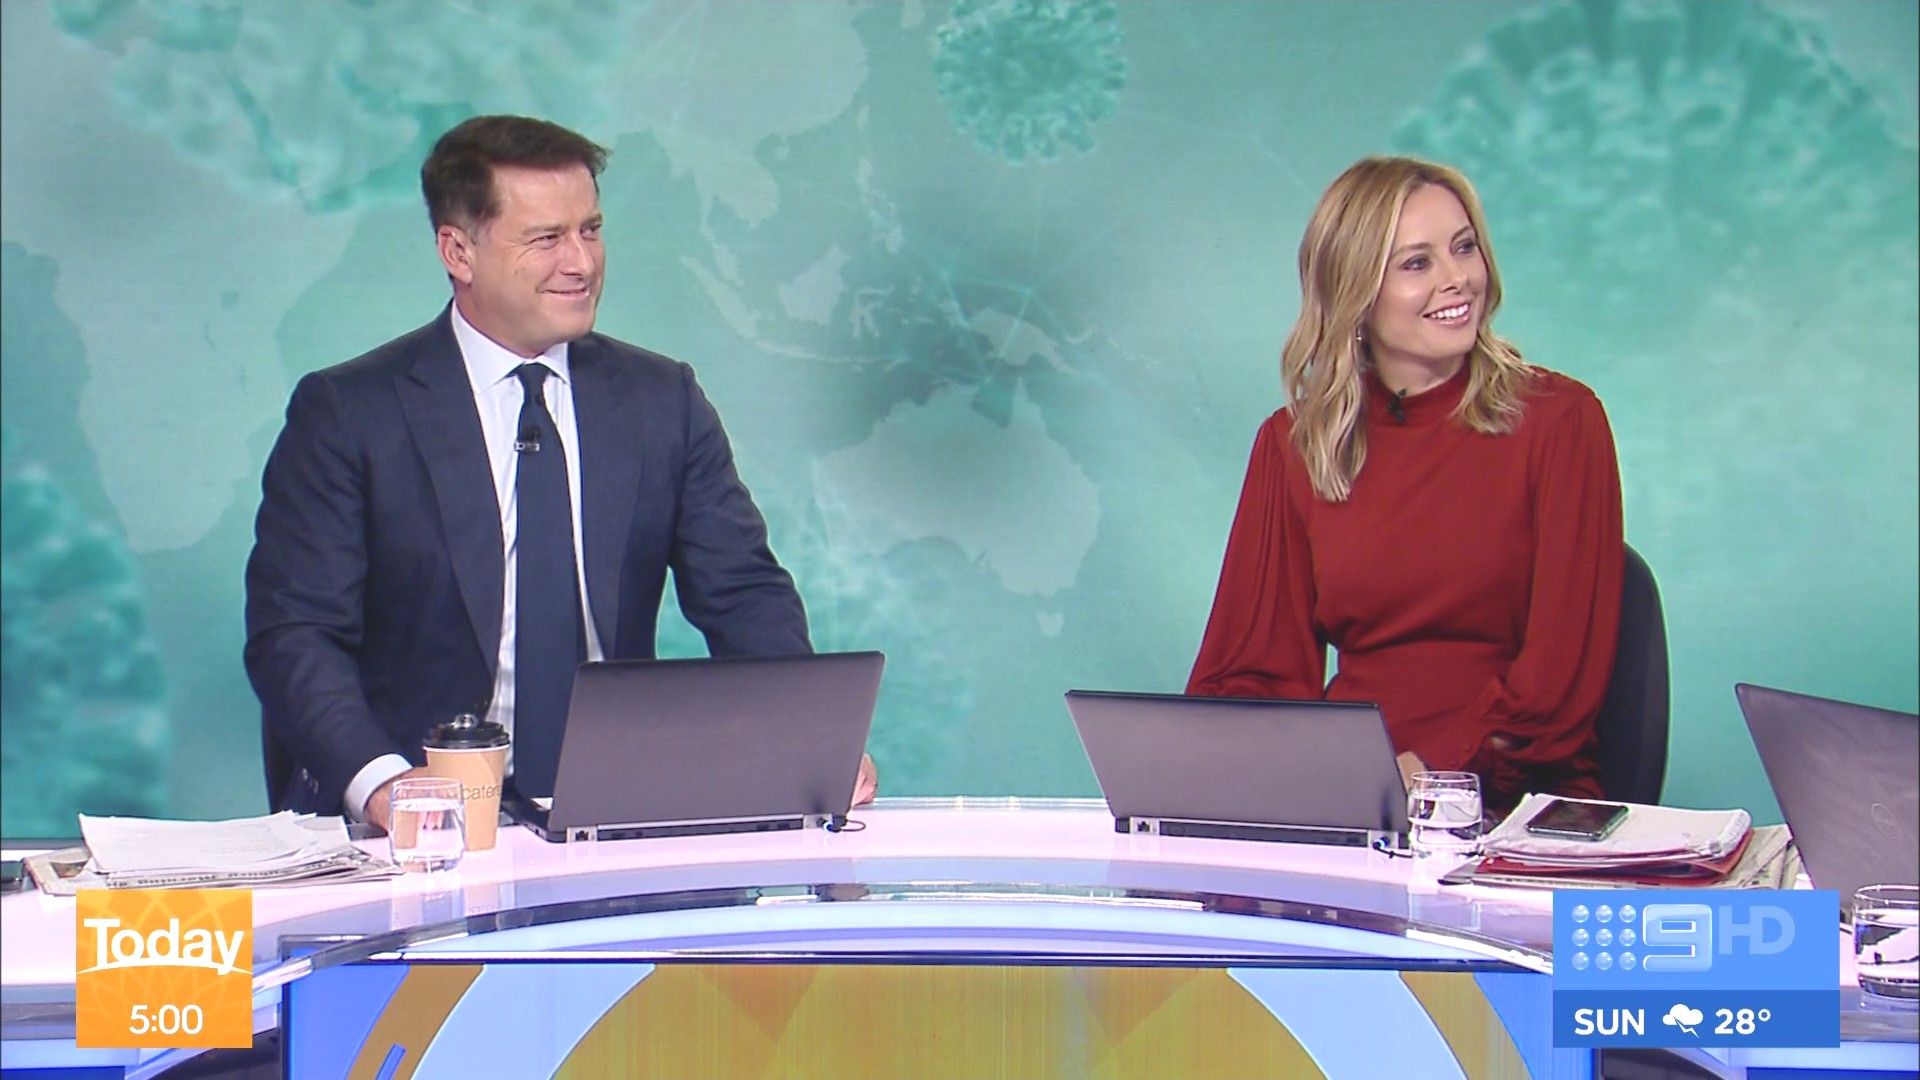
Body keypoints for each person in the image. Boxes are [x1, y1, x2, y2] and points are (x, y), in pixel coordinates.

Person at [246, 115, 877, 828]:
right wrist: (387, 788)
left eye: (591, 230)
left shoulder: (661, 400)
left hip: (616, 810)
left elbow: (743, 593)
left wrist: (807, 736)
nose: (580, 263)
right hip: (417, 816)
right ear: (458, 251)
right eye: (546, 239)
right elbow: (294, 634)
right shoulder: (350, 412)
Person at [1186, 156, 1623, 814]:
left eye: (1464, 248)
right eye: (1418, 263)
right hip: (1351, 800)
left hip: (1512, 801)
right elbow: (1252, 674)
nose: (1458, 279)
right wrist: (1233, 770)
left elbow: (1555, 688)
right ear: (1356, 294)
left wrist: (1425, 773)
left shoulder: (1560, 421)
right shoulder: (1294, 444)